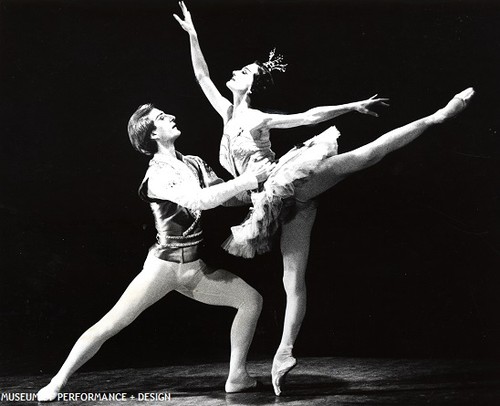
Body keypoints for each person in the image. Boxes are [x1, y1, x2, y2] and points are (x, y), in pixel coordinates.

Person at [174, 1, 475, 396]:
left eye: (243, 71)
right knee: (292, 278)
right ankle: (283, 355)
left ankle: (438, 116)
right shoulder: (227, 113)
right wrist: (194, 35)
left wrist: (350, 106)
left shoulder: (256, 118)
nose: (234, 72)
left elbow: (309, 117)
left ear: (251, 84)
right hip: (270, 203)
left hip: (290, 183)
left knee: (364, 156)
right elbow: (201, 76)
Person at [36, 104, 276, 401]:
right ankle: (57, 382)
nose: (172, 116)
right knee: (112, 323)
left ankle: (237, 376)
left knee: (250, 300)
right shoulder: (157, 176)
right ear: (152, 134)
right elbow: (199, 200)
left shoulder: (194, 163)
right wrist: (249, 179)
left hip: (194, 270)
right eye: (162, 118)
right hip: (162, 270)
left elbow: (226, 197)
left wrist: (266, 186)